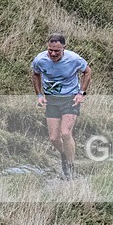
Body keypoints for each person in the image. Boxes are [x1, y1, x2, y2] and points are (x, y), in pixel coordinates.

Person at [32, 33, 92, 180]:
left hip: (70, 98)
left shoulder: (74, 59)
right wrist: (39, 95)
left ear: (64, 48)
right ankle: (65, 154)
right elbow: (35, 75)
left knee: (65, 133)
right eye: (50, 50)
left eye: (57, 51)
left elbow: (87, 72)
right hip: (52, 99)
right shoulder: (40, 59)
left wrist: (81, 93)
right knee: (53, 138)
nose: (53, 53)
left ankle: (70, 167)